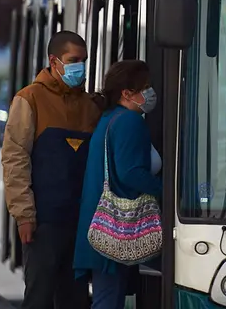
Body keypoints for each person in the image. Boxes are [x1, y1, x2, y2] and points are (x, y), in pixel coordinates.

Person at [1, 30, 100, 309]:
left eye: (84, 60)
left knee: (75, 299)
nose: (80, 67)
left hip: (82, 224)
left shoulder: (91, 106)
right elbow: (15, 158)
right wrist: (24, 215)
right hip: (43, 223)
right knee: (40, 297)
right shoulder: (29, 99)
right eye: (73, 60)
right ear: (54, 61)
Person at [73, 60, 163, 309]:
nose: (150, 93)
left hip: (103, 222)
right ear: (127, 93)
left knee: (107, 297)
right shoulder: (130, 121)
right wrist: (168, 191)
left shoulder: (111, 118)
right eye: (145, 87)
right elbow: (131, 173)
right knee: (108, 300)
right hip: (119, 224)